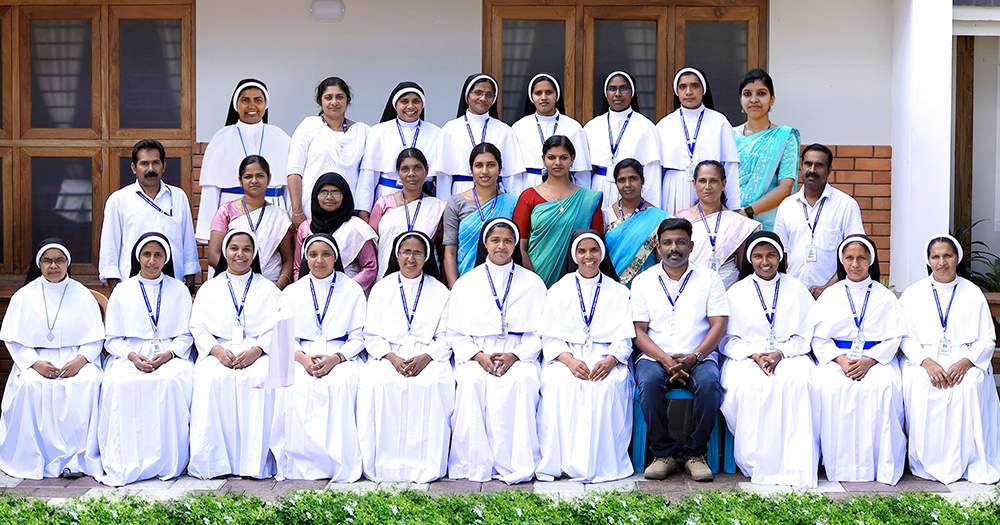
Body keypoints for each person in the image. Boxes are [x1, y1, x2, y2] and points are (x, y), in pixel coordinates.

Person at [444, 217, 546, 483]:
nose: (501, 246)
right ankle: (475, 464)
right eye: (495, 240)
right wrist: (479, 357)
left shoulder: (533, 283)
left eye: (508, 240)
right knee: (470, 382)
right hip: (478, 354)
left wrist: (515, 356)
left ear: (515, 245)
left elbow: (539, 334)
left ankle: (517, 462)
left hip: (518, 354)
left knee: (523, 381)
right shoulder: (466, 283)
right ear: (485, 243)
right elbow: (455, 333)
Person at [631, 218, 728, 482]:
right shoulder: (643, 281)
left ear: (691, 245)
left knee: (709, 384)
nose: (675, 248)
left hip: (699, 355)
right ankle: (663, 454)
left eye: (681, 242)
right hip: (654, 356)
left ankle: (695, 454)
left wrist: (694, 357)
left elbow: (719, 324)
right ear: (657, 247)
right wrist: (663, 359)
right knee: (649, 383)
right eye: (668, 242)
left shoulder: (710, 279)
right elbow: (638, 330)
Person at [719, 231, 819, 487]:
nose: (765, 262)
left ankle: (794, 460)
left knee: (800, 383)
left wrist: (780, 353)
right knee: (749, 387)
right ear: (749, 259)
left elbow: (807, 334)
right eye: (758, 256)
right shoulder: (736, 291)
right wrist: (754, 355)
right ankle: (756, 460)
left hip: (789, 354)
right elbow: (727, 340)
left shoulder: (796, 288)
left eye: (771, 255)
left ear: (780, 257)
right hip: (747, 358)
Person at [898, 234, 1000, 484]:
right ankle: (926, 461)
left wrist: (965, 363)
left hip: (964, 358)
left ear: (957, 258)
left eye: (947, 255)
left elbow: (987, 339)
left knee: (971, 383)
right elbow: (905, 338)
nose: (942, 262)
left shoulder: (973, 292)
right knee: (920, 383)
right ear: (928, 260)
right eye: (936, 256)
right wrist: (928, 363)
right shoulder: (913, 293)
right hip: (925, 360)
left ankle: (968, 461)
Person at [535, 230, 635, 483]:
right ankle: (563, 462)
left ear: (601, 254)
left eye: (594, 250)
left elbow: (624, 338)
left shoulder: (619, 291)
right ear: (574, 254)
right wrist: (568, 360)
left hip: (605, 356)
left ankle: (600, 464)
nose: (588, 256)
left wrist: (611, 360)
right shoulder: (559, 289)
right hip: (567, 356)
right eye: (582, 251)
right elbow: (550, 336)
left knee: (608, 386)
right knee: (560, 384)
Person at [0, 239, 104, 479]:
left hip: (76, 359)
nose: (54, 266)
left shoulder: (81, 293)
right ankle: (37, 458)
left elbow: (95, 338)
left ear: (68, 263)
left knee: (88, 382)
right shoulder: (24, 295)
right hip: (36, 360)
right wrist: (34, 363)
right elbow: (14, 340)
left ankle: (77, 458)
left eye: (59, 260)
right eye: (48, 260)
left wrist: (80, 361)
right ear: (39, 264)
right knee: (29, 385)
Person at [809, 234, 907, 485]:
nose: (855, 264)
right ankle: (836, 465)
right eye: (849, 258)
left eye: (861, 258)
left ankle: (880, 465)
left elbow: (894, 337)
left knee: (885, 388)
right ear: (842, 261)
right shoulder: (830, 295)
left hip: (875, 360)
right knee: (827, 388)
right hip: (837, 361)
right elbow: (819, 339)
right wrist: (841, 361)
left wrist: (869, 361)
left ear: (870, 260)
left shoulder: (885, 296)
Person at [98, 232, 194, 486]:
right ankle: (124, 459)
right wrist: (132, 356)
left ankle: (167, 460)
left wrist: (168, 355)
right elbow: (112, 339)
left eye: (158, 255)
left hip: (170, 354)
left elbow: (186, 335)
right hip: (129, 356)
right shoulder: (122, 290)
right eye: (146, 254)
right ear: (138, 257)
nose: (152, 261)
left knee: (172, 381)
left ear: (167, 258)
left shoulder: (179, 289)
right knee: (118, 383)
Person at [358, 231, 454, 483]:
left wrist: (426, 357)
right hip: (390, 357)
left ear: (426, 258)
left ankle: (425, 463)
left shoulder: (440, 290)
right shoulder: (381, 289)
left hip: (428, 357)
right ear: (397, 255)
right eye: (406, 252)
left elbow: (446, 336)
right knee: (377, 383)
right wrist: (393, 358)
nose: (411, 258)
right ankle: (384, 464)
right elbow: (372, 335)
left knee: (434, 383)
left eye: (417, 253)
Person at [188, 229, 281, 479]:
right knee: (208, 378)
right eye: (234, 248)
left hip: (257, 351)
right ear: (225, 252)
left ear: (255, 254)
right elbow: (198, 327)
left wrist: (257, 351)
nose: (240, 254)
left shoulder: (270, 290)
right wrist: (217, 351)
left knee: (261, 378)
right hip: (219, 351)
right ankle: (215, 463)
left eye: (247, 249)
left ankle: (254, 463)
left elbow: (278, 327)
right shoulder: (209, 289)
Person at [272, 233, 366, 481]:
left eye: (326, 254)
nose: (319, 260)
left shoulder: (352, 290)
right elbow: (284, 336)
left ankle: (336, 462)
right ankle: (299, 461)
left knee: (342, 384)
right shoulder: (292, 292)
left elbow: (360, 336)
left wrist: (336, 358)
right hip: (301, 355)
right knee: (292, 386)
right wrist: (303, 359)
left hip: (341, 355)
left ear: (336, 257)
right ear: (305, 258)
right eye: (313, 254)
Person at [196, 78, 291, 243]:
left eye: (258, 100)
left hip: (274, 209)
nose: (252, 106)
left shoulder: (281, 137)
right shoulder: (221, 138)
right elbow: (211, 191)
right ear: (236, 104)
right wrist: (208, 231)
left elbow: (289, 187)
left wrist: (292, 218)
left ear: (265, 104)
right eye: (245, 100)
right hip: (232, 210)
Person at [99, 139, 199, 293]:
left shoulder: (178, 196)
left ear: (163, 166)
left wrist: (190, 280)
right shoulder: (119, 200)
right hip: (131, 284)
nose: (150, 169)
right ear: (134, 167)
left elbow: (188, 241)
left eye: (155, 163)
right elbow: (109, 245)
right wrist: (114, 286)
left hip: (172, 283)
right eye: (144, 163)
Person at [773, 144, 865, 298]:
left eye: (819, 165)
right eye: (808, 164)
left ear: (829, 170)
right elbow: (780, 254)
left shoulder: (846, 205)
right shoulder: (786, 206)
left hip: (834, 295)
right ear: (801, 166)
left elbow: (857, 252)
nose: (812, 170)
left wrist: (828, 288)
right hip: (794, 296)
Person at [513, 135, 604, 287]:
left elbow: (598, 245)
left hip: (577, 280)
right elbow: (519, 247)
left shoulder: (588, 199)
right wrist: (535, 282)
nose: (557, 163)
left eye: (563, 157)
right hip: (535, 276)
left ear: (572, 159)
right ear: (543, 159)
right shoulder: (528, 197)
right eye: (551, 157)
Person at [657, 67, 741, 216]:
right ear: (677, 91)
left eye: (694, 86)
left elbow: (730, 165)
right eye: (683, 86)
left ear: (703, 89)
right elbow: (656, 171)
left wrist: (733, 206)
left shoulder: (719, 122)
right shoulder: (664, 125)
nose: (688, 92)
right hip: (673, 189)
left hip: (709, 188)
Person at [287, 77, 370, 225]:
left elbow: (367, 177)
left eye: (340, 97)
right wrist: (297, 211)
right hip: (311, 211)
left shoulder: (363, 132)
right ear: (320, 101)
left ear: (348, 99)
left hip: (349, 214)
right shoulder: (308, 126)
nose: (334, 102)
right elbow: (294, 172)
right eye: (328, 97)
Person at [432, 74, 525, 201]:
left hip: (495, 195)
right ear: (467, 95)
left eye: (489, 95)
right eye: (478, 93)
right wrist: (445, 207)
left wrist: (515, 205)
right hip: (461, 193)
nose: (483, 98)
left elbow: (512, 177)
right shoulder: (450, 129)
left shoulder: (504, 130)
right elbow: (444, 176)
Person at [207, 155, 294, 288]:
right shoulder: (225, 212)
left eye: (259, 175)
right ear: (240, 180)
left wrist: (279, 285)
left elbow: (288, 259)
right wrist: (239, 275)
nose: (254, 181)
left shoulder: (280, 217)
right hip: (234, 285)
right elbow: (213, 255)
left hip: (270, 287)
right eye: (248, 177)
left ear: (269, 178)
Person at [442, 143, 519, 286]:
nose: (485, 171)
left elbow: (518, 248)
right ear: (471, 169)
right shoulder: (456, 203)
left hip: (503, 282)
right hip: (466, 282)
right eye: (479, 165)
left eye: (490, 165)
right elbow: (450, 251)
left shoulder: (512, 203)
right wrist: (455, 288)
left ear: (500, 169)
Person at [357, 82, 442, 213]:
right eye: (404, 101)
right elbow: (368, 178)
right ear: (395, 104)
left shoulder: (436, 133)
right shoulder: (378, 132)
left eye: (416, 101)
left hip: (425, 198)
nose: (411, 106)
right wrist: (363, 212)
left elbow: (440, 179)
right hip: (388, 197)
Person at [674, 160, 761, 289]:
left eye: (713, 181)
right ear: (694, 184)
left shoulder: (738, 223)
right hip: (688, 289)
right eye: (702, 181)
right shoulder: (681, 218)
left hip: (727, 290)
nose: (707, 186)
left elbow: (744, 269)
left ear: (723, 184)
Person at [732, 69, 800, 231]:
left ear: (772, 99)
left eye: (761, 93)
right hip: (732, 221)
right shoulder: (729, 136)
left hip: (769, 223)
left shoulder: (785, 136)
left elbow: (785, 187)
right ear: (741, 100)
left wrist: (748, 211)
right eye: (747, 94)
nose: (754, 99)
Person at [584, 71, 661, 207]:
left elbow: (651, 172)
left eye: (623, 88)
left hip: (631, 188)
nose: (617, 94)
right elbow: (584, 171)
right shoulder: (592, 126)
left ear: (632, 92)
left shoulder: (645, 126)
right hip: (598, 187)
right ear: (606, 93)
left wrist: (649, 208)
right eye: (612, 89)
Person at [368, 149, 446, 281]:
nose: (411, 174)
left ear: (426, 171)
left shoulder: (437, 208)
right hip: (386, 277)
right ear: (398, 172)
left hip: (425, 279)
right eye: (405, 169)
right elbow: (371, 248)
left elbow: (442, 250)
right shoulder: (383, 204)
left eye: (417, 168)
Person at [293, 172, 378, 291]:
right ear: (316, 195)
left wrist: (343, 290)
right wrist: (303, 290)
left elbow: (370, 268)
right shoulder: (305, 227)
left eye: (335, 192)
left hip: (347, 294)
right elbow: (297, 267)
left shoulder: (357, 227)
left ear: (345, 195)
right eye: (323, 192)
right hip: (310, 293)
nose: (329, 197)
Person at [511, 73, 591, 190]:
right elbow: (515, 173)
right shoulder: (519, 127)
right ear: (531, 96)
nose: (543, 97)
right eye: (538, 93)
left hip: (564, 186)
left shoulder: (573, 127)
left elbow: (581, 172)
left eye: (549, 92)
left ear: (557, 95)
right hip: (529, 186)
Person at [603, 159, 669, 286]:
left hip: (646, 287)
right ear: (616, 183)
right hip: (611, 287)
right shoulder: (606, 215)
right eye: (622, 180)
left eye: (633, 178)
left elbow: (662, 263)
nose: (627, 184)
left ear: (642, 180)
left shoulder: (659, 218)